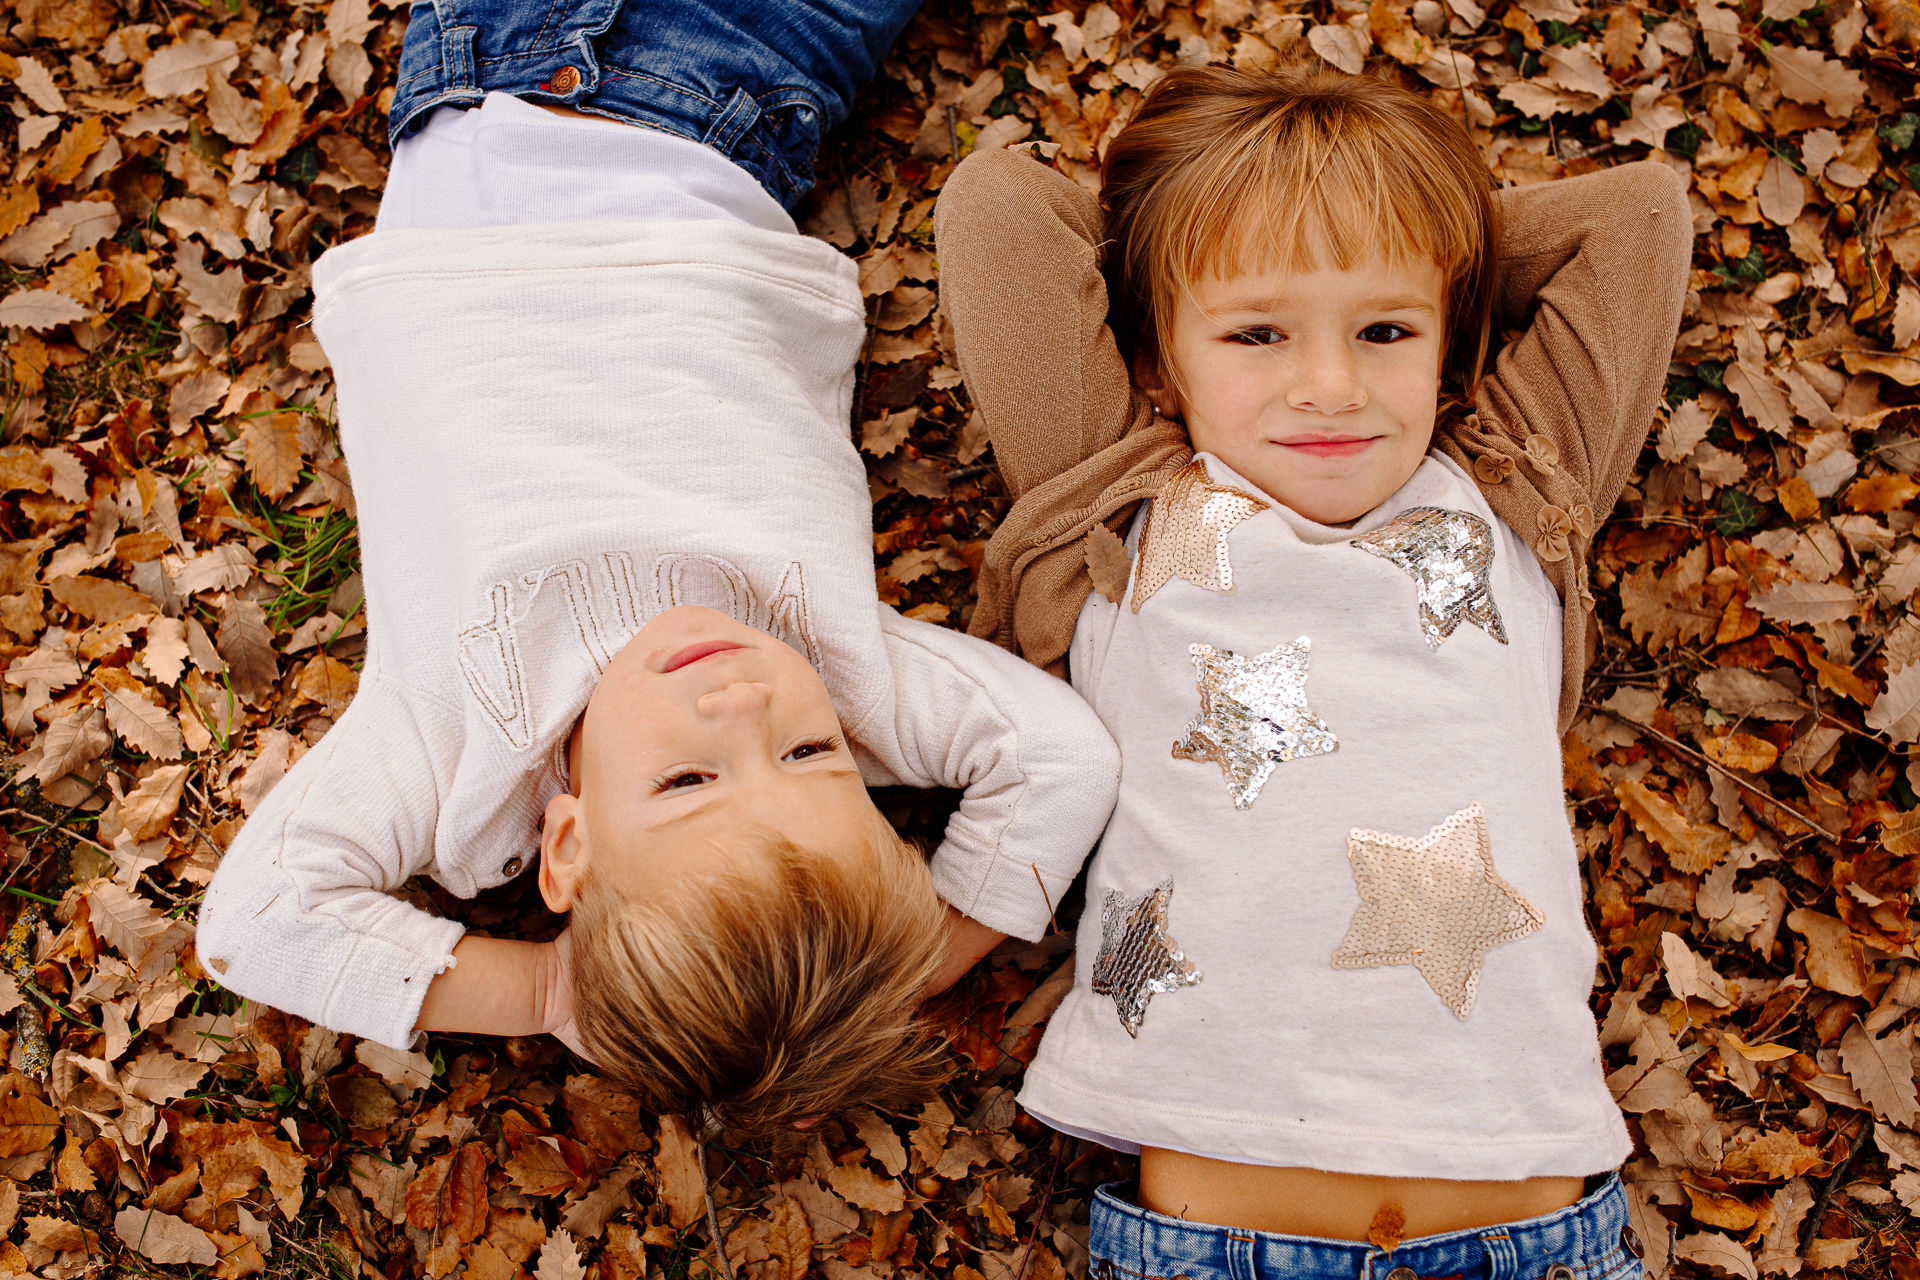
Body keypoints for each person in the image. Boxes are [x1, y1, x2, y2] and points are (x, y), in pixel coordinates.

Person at [195, 0, 1121, 1137]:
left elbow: (259, 922)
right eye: (811, 752)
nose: (744, 699)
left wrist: (541, 990)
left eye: (688, 781)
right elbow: (1063, 758)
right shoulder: (846, 671)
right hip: (743, 97)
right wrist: (918, 952)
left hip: (531, 77)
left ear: (572, 843)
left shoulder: (453, 741)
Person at [934, 62, 1691, 1278]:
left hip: (1536, 1239)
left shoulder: (1515, 486)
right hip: (1215, 1244)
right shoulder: (1116, 501)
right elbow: (997, 207)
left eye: (1385, 329)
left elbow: (1643, 214)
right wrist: (1211, 240)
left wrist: (1416, 228)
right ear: (1157, 361)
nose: (1331, 385)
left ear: (1451, 343)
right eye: (1257, 332)